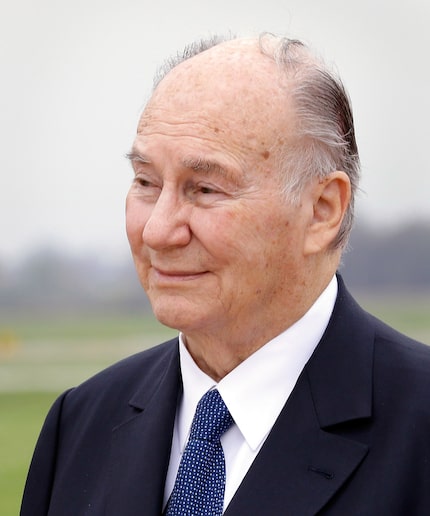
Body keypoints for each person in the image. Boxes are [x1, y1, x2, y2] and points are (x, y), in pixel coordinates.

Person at [21, 34, 430, 515]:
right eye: (146, 182)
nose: (157, 231)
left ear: (321, 211)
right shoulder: (81, 423)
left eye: (205, 189)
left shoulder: (418, 428)